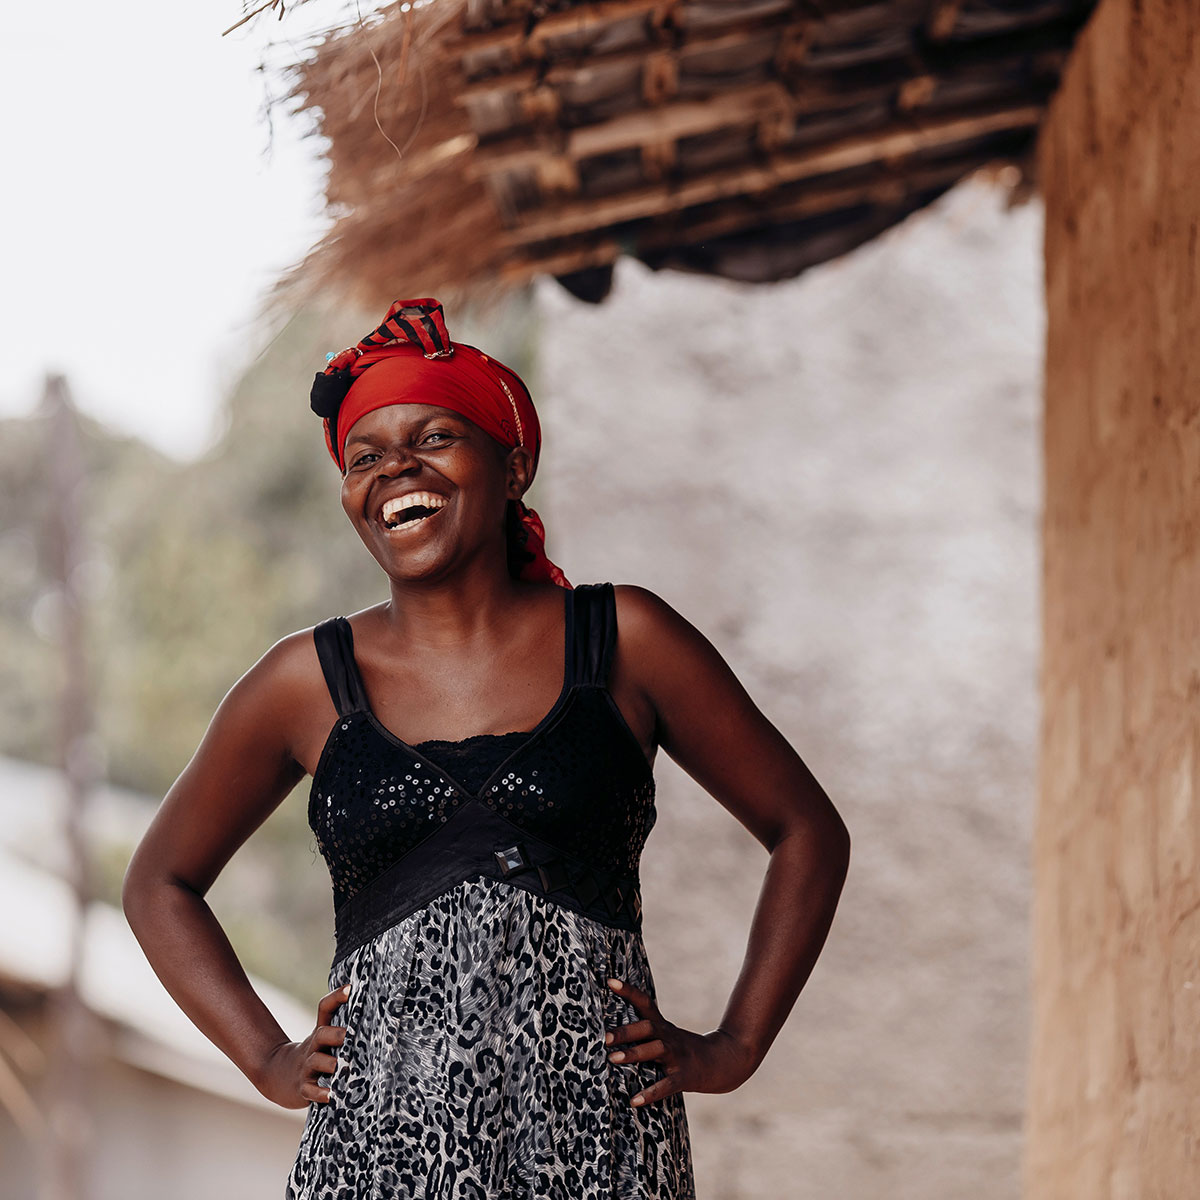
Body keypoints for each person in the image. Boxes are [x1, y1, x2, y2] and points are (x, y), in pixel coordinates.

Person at [122, 298, 851, 1199]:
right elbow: (158, 883)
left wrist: (736, 1046)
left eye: (432, 436)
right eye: (365, 455)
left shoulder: (623, 639)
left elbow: (806, 829)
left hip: (599, 1139)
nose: (396, 469)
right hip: (379, 1150)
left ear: (512, 468)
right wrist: (267, 1057)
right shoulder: (305, 683)